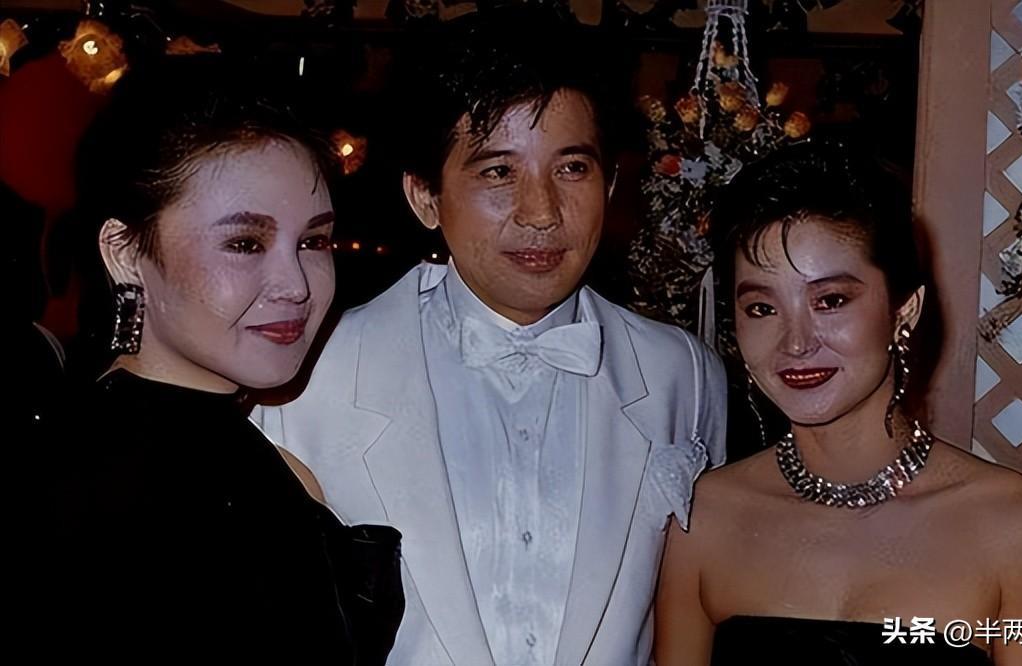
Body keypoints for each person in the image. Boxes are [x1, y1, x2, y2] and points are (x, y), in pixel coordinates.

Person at [252, 8, 728, 666]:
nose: (541, 213)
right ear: (424, 196)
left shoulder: (683, 373)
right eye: (498, 172)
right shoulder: (306, 379)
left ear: (611, 183)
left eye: (572, 168)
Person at [655, 141, 1022, 666]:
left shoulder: (1013, 524)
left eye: (830, 301)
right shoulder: (703, 518)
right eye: (761, 308)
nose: (795, 343)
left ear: (904, 310)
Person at [47, 57, 403, 665]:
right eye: (245, 243)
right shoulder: (88, 485)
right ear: (125, 252)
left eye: (314, 241)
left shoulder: (256, 461)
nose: (296, 285)